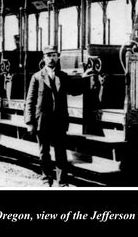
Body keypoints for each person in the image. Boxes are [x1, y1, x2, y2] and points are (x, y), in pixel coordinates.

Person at [24, 45, 92, 187]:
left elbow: (74, 90)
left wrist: (85, 79)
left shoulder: (63, 76)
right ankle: (46, 178)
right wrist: (29, 122)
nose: (52, 58)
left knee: (61, 153)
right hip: (42, 121)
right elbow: (30, 101)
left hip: (59, 121)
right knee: (44, 152)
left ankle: (62, 182)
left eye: (54, 55)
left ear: (58, 57)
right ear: (44, 58)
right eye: (49, 55)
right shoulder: (37, 77)